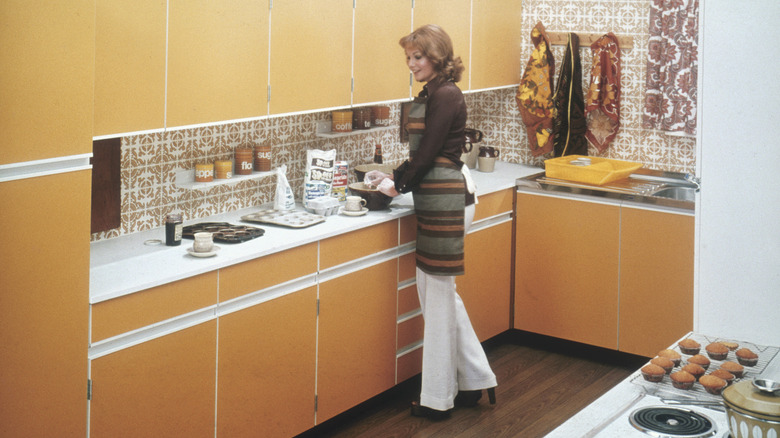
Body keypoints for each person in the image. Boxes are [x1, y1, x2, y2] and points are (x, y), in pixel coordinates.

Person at [365, 24, 497, 420]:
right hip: (440, 197)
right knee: (442, 296)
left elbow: (427, 155)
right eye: (408, 58)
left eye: (417, 57)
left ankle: (438, 399)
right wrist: (393, 176)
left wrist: (396, 184)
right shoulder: (435, 92)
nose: (411, 64)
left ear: (437, 57)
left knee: (436, 301)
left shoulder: (446, 94)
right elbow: (423, 155)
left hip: (449, 200)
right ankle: (477, 378)